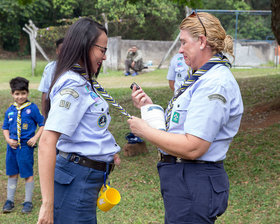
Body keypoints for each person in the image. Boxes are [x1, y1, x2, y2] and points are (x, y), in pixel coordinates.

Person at [128, 12, 243, 223]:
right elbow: (182, 128)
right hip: (184, 180)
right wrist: (150, 108)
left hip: (193, 181)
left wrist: (145, 131)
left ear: (201, 41)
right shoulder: (202, 77)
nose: (180, 50)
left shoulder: (214, 83)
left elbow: (194, 147)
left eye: (183, 42)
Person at [37, 18, 121, 224]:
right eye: (102, 50)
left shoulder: (83, 80)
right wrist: (47, 204)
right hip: (76, 179)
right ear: (85, 45)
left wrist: (107, 150)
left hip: (85, 178)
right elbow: (47, 142)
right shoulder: (73, 86)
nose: (105, 56)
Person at [2, 77, 44, 214]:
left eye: (23, 93)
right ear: (12, 94)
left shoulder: (32, 108)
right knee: (12, 173)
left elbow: (43, 124)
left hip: (25, 147)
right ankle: (9, 201)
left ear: (27, 93)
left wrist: (35, 138)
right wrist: (8, 139)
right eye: (17, 94)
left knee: (27, 173)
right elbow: (5, 128)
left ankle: (28, 202)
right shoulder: (10, 110)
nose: (20, 97)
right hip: (12, 148)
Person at [38, 38, 64, 117]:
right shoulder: (50, 68)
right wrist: (44, 115)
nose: (64, 53)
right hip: (53, 108)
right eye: (61, 50)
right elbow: (45, 91)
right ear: (57, 51)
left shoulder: (77, 68)